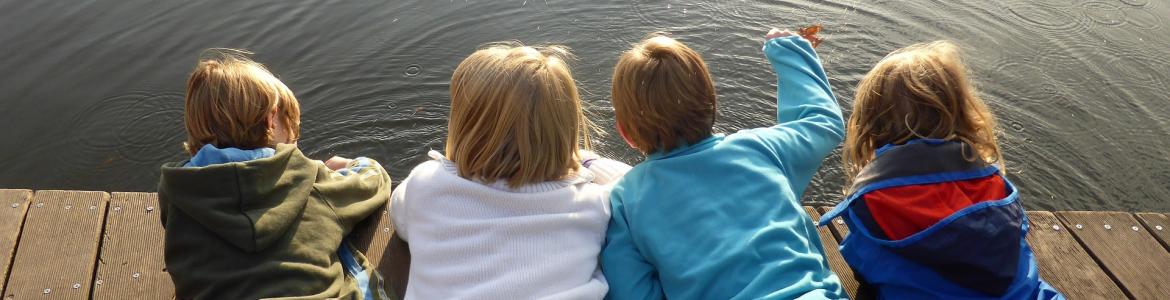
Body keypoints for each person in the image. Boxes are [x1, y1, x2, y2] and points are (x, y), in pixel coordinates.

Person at [601, 30, 846, 299]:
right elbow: (822, 122)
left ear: (625, 133)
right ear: (712, 104)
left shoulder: (626, 199)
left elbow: (631, 293)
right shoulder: (762, 148)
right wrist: (789, 49)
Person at [818, 41, 1064, 299]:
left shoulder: (872, 200)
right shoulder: (992, 183)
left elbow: (862, 263)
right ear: (961, 111)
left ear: (870, 123)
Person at [389, 43, 631, 299]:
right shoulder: (593, 205)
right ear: (565, 134)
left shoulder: (426, 184)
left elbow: (400, 219)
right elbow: (634, 183)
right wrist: (585, 160)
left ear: (463, 129)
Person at [157, 50, 391, 299]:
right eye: (290, 129)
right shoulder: (310, 179)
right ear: (270, 120)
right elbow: (374, 182)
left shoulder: (178, 191)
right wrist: (354, 164)